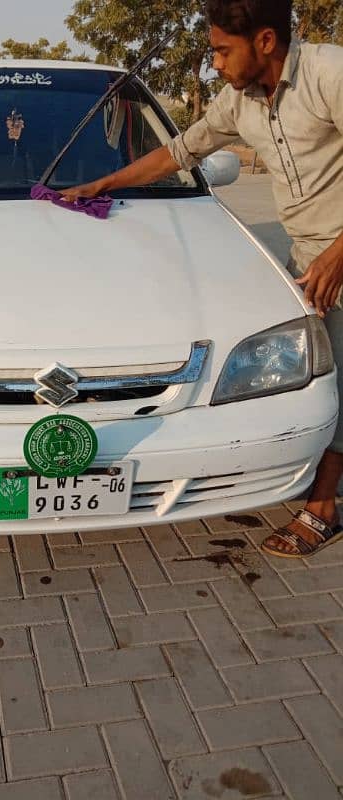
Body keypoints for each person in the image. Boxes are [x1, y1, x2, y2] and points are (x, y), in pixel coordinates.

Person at [61, 0, 343, 558]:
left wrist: (339, 255)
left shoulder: (328, 73)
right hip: (309, 259)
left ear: (265, 41)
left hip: (338, 255)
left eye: (220, 50)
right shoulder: (239, 99)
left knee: (341, 379)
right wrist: (105, 184)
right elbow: (177, 152)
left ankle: (324, 509)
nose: (214, 63)